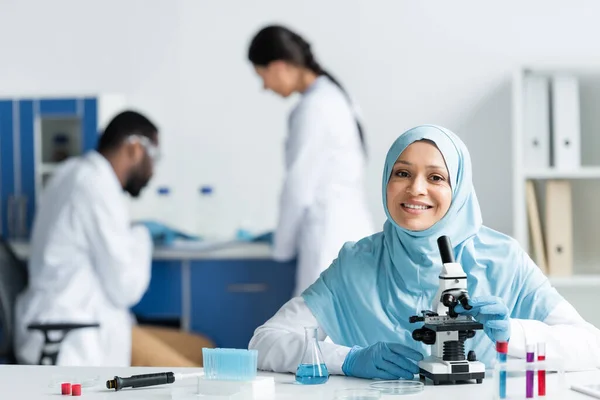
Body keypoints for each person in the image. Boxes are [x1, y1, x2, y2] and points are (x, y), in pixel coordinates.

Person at [249, 124, 600, 378]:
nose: (416, 189)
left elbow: (591, 347)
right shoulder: (356, 262)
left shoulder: (504, 259)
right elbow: (263, 343)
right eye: (402, 173)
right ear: (386, 180)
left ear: (459, 188)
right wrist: (348, 359)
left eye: (436, 177)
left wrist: (516, 333)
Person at [14, 110, 214, 367]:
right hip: (75, 329)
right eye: (154, 157)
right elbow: (125, 288)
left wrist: (132, 232)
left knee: (202, 348)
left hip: (93, 320)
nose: (153, 170)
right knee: (194, 376)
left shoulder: (75, 173)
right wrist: (141, 235)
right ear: (134, 148)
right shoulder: (95, 185)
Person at [247, 25, 375, 297]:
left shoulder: (312, 108)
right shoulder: (338, 96)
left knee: (314, 332)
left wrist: (281, 248)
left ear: (279, 66)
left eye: (263, 75)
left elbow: (298, 186)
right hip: (353, 230)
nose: (264, 86)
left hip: (326, 237)